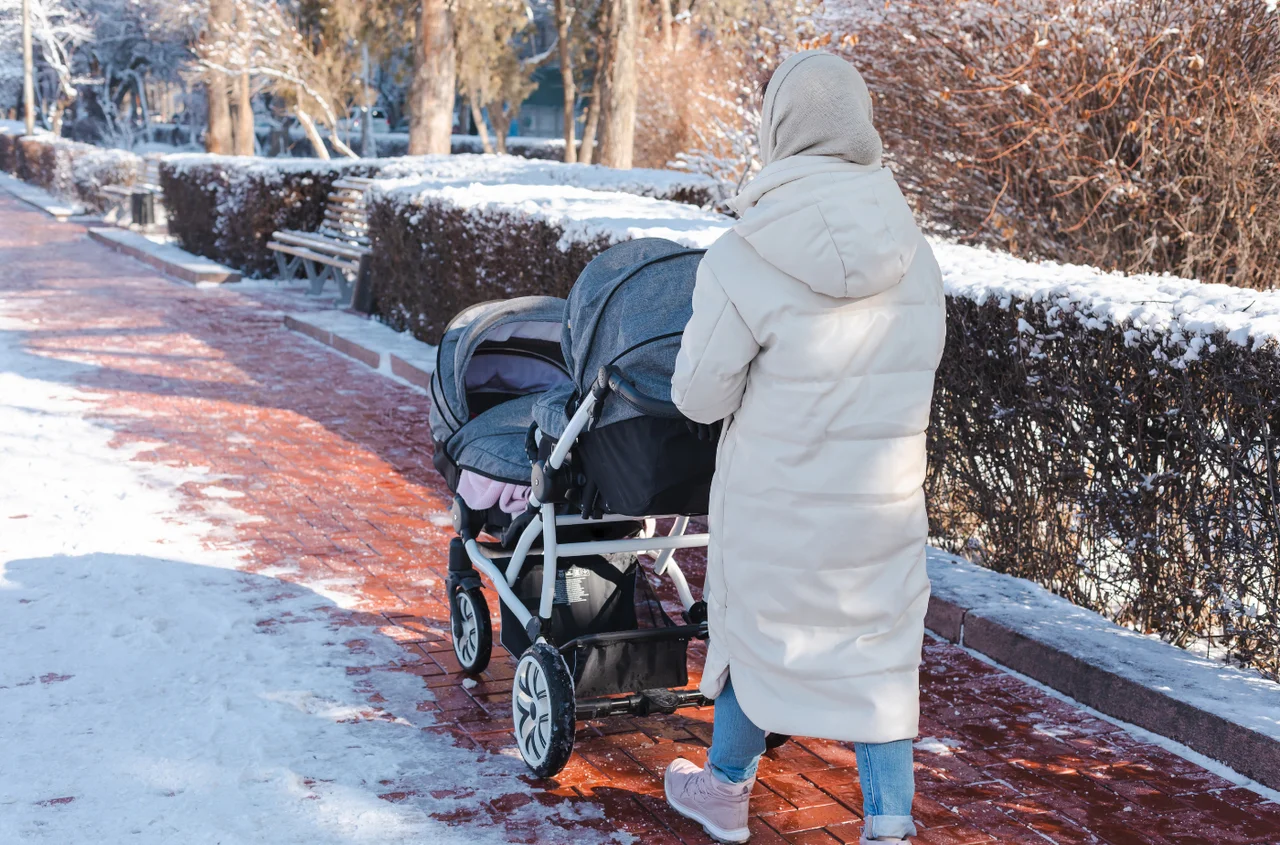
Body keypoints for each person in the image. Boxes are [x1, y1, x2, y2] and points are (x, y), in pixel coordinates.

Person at [664, 50, 947, 844]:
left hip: (777, 503)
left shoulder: (743, 255)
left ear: (777, 129)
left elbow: (697, 396)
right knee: (879, 658)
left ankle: (725, 788)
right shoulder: (914, 253)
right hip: (882, 505)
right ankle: (889, 823)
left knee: (759, 639)